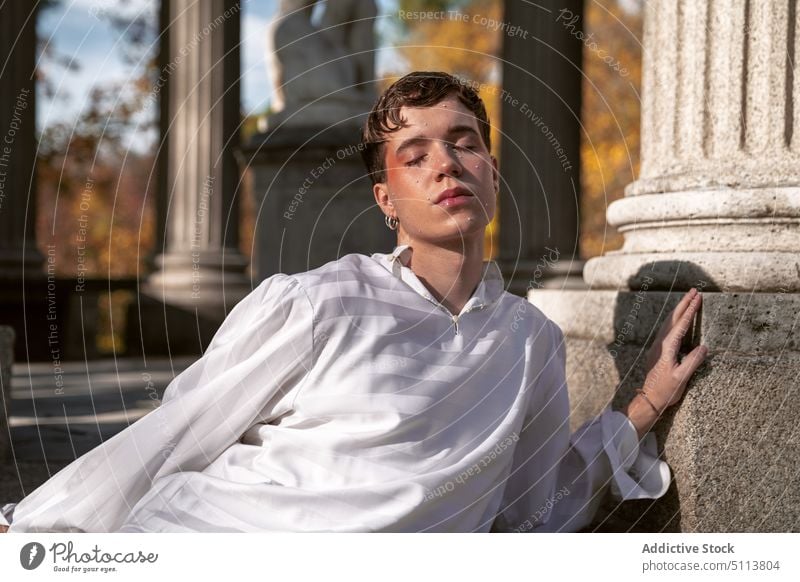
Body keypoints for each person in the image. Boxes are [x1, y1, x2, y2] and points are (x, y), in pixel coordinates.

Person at [0, 71, 706, 533]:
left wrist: (643, 405)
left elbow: (532, 509)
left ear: (492, 174)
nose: (447, 164)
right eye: (416, 155)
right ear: (386, 201)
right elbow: (173, 435)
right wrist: (33, 537)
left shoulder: (529, 342)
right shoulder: (315, 304)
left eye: (464, 144)